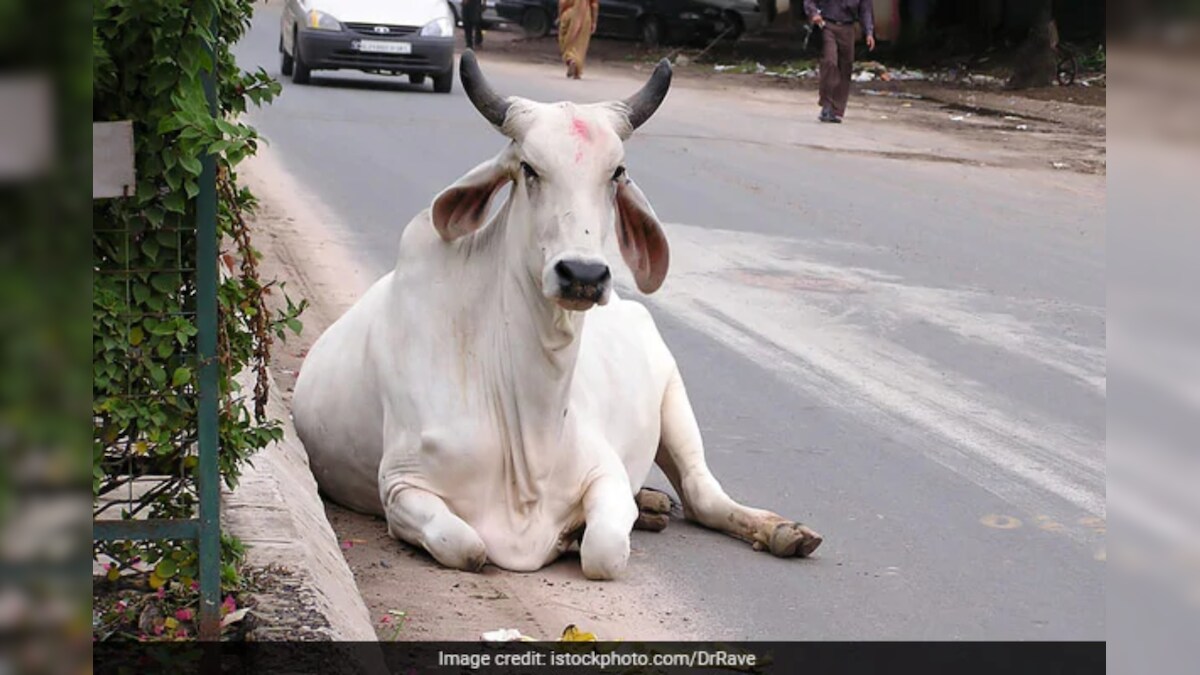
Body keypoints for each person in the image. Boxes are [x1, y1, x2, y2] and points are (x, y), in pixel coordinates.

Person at [803, 0, 876, 123]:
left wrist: (869, 32)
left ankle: (837, 110)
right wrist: (814, 13)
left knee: (845, 67)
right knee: (830, 62)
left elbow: (866, 10)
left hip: (848, 28)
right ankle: (826, 105)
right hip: (827, 25)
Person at [558, 0, 599, 80]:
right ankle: (576, 69)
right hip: (584, 15)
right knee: (581, 44)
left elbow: (562, 2)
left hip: (568, 13)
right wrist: (594, 22)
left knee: (564, 40)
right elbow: (594, 5)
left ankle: (570, 60)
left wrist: (560, 14)